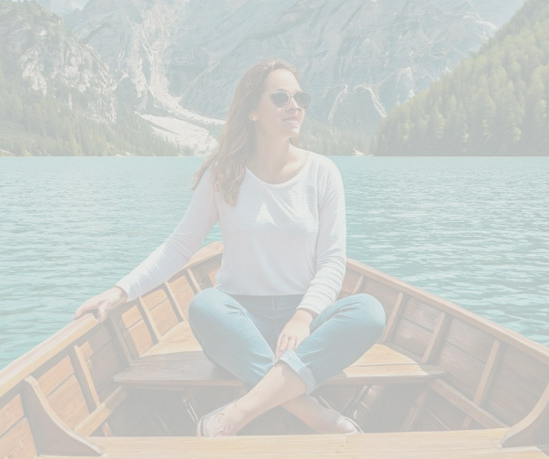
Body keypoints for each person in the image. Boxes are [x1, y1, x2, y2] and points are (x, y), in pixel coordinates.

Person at [74, 58, 386, 437]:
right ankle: (311, 411)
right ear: (252, 110)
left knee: (368, 311)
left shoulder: (323, 173)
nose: (295, 105)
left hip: (303, 322)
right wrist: (121, 289)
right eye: (281, 97)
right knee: (205, 306)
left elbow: (333, 261)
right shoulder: (223, 173)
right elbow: (179, 246)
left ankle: (236, 415)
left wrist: (303, 317)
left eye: (300, 97)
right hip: (240, 320)